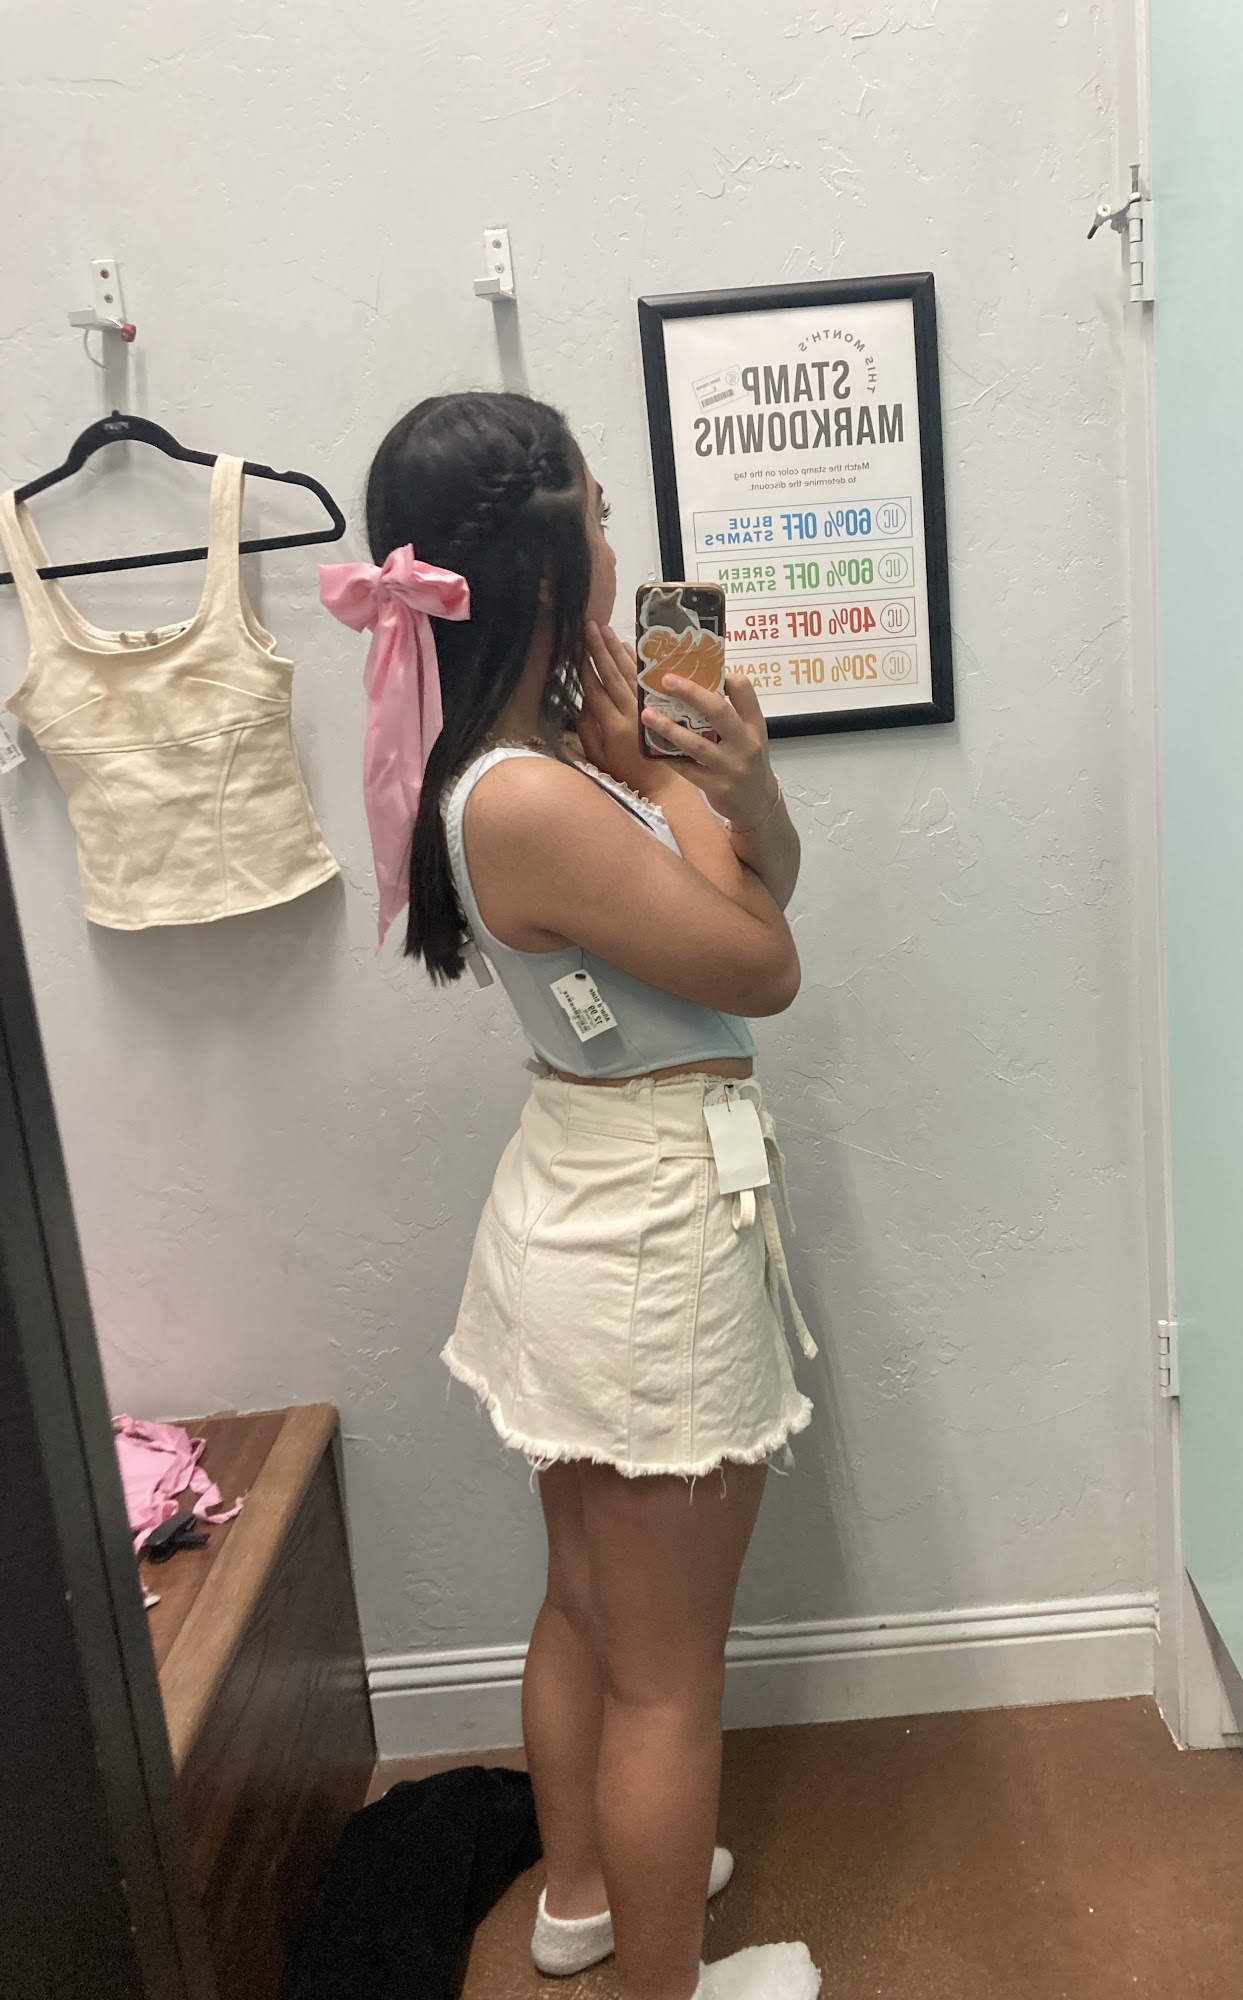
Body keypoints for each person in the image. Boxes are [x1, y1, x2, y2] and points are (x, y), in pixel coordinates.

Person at [327, 391, 822, 2000]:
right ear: (548, 565)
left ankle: (583, 1901)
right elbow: (764, 967)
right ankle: (671, 1982)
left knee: (592, 1610)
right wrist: (672, 789)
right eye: (601, 514)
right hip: (649, 1226)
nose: (620, 539)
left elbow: (756, 889)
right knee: (669, 1678)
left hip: (589, 1201)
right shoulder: (536, 790)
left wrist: (736, 787)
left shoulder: (522, 763)